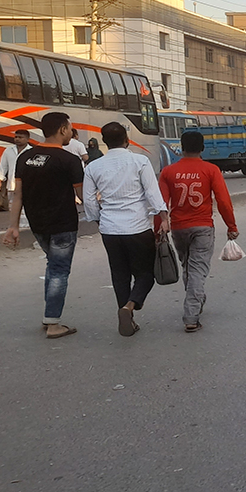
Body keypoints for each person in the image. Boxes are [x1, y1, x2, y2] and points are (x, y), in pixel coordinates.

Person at [83, 122, 170, 337]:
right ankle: (129, 307)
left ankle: (126, 315)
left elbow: (89, 200)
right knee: (146, 274)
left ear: (104, 142)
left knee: (119, 275)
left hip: (110, 230)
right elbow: (152, 191)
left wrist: (98, 220)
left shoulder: (93, 167)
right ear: (127, 140)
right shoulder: (140, 161)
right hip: (138, 227)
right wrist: (164, 217)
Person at [1, 112, 83, 339]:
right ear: (63, 130)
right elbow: (81, 194)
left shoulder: (25, 158)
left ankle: (49, 317)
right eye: (69, 127)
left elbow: (18, 195)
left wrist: (13, 226)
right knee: (59, 270)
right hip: (63, 224)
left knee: (52, 265)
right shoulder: (69, 160)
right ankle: (54, 323)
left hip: (38, 224)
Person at [159, 130, 239, 333]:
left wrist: (158, 227)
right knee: (197, 270)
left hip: (179, 228)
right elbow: (223, 201)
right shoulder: (211, 170)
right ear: (202, 148)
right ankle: (191, 316)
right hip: (203, 227)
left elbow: (159, 203)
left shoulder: (168, 172)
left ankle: (196, 298)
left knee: (188, 266)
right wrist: (231, 226)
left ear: (182, 148)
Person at [0, 128, 31, 220]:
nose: (17, 139)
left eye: (20, 137)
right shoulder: (8, 150)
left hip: (26, 185)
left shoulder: (31, 151)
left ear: (27, 139)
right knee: (12, 206)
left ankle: (25, 228)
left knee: (25, 206)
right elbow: (3, 166)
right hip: (11, 185)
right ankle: (15, 225)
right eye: (16, 137)